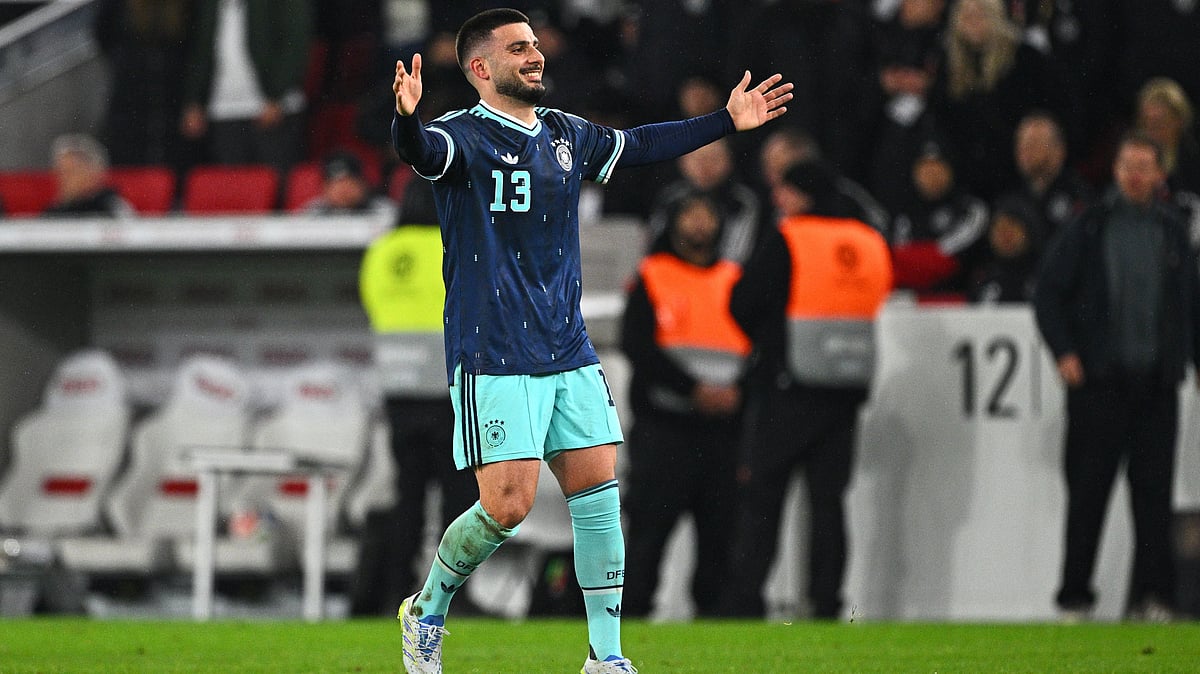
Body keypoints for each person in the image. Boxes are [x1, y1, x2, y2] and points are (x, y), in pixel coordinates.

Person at [388, 8, 792, 673]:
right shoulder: (462, 135)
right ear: (480, 68)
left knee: (599, 499)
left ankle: (606, 656)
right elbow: (421, 152)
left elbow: (641, 144)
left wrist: (724, 120)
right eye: (518, 48)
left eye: (535, 44)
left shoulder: (563, 133)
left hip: (567, 348)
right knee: (507, 507)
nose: (535, 55)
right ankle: (427, 610)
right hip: (494, 353)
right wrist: (406, 119)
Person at [1034, 132, 1200, 622]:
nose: (1134, 176)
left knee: (1154, 500)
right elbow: (1048, 292)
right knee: (1088, 496)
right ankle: (1074, 598)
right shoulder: (1088, 226)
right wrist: (1064, 351)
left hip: (1156, 386)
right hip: (1099, 386)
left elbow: (1191, 305)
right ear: (1116, 170)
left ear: (1160, 174)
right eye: (1127, 166)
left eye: (1143, 167)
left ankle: (1156, 598)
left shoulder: (1173, 232)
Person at [719, 161, 893, 620]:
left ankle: (746, 599)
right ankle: (826, 601)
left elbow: (743, 301)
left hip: (787, 387)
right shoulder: (867, 240)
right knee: (828, 503)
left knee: (763, 499)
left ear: (803, 194)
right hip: (844, 389)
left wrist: (769, 344)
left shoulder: (791, 237)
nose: (778, 199)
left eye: (786, 190)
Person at [619, 194, 748, 619]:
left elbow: (760, 346)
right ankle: (631, 622)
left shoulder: (736, 279)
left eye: (707, 214)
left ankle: (714, 625)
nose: (699, 224)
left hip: (722, 434)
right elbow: (637, 344)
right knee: (647, 535)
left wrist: (736, 393)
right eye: (690, 214)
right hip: (663, 429)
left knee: (720, 537)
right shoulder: (652, 274)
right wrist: (694, 389)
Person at [180, 0, 313, 177]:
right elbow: (200, 50)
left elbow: (295, 43)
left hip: (272, 108)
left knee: (275, 182)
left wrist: (276, 96)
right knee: (232, 185)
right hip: (223, 109)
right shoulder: (209, 5)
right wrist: (194, 101)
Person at [888, 139, 990, 300]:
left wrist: (915, 259)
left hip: (962, 302)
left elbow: (949, 262)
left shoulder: (970, 208)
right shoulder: (903, 213)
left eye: (937, 166)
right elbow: (896, 264)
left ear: (950, 169)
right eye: (925, 167)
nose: (931, 173)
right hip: (911, 303)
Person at [646, 138, 762, 265]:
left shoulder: (742, 202)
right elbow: (654, 246)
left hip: (721, 273)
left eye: (714, 158)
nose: (705, 165)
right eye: (697, 158)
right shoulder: (670, 197)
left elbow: (736, 257)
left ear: (729, 162)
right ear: (682, 161)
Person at [1000, 110, 1092, 242]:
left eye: (1033, 143)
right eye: (1020, 142)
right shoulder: (1010, 201)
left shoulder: (1078, 195)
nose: (1023, 150)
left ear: (1058, 150)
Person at [966, 194, 1044, 303]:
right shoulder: (983, 278)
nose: (1005, 235)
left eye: (1012, 225)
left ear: (1029, 230)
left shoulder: (1046, 275)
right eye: (998, 227)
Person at [42, 134, 135, 218]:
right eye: (60, 172)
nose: (62, 178)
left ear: (93, 174)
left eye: (70, 172)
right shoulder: (52, 214)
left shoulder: (113, 209)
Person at [302, 151, 396, 216]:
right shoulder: (313, 214)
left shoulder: (384, 211)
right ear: (325, 188)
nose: (344, 190)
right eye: (336, 184)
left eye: (349, 182)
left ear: (362, 184)